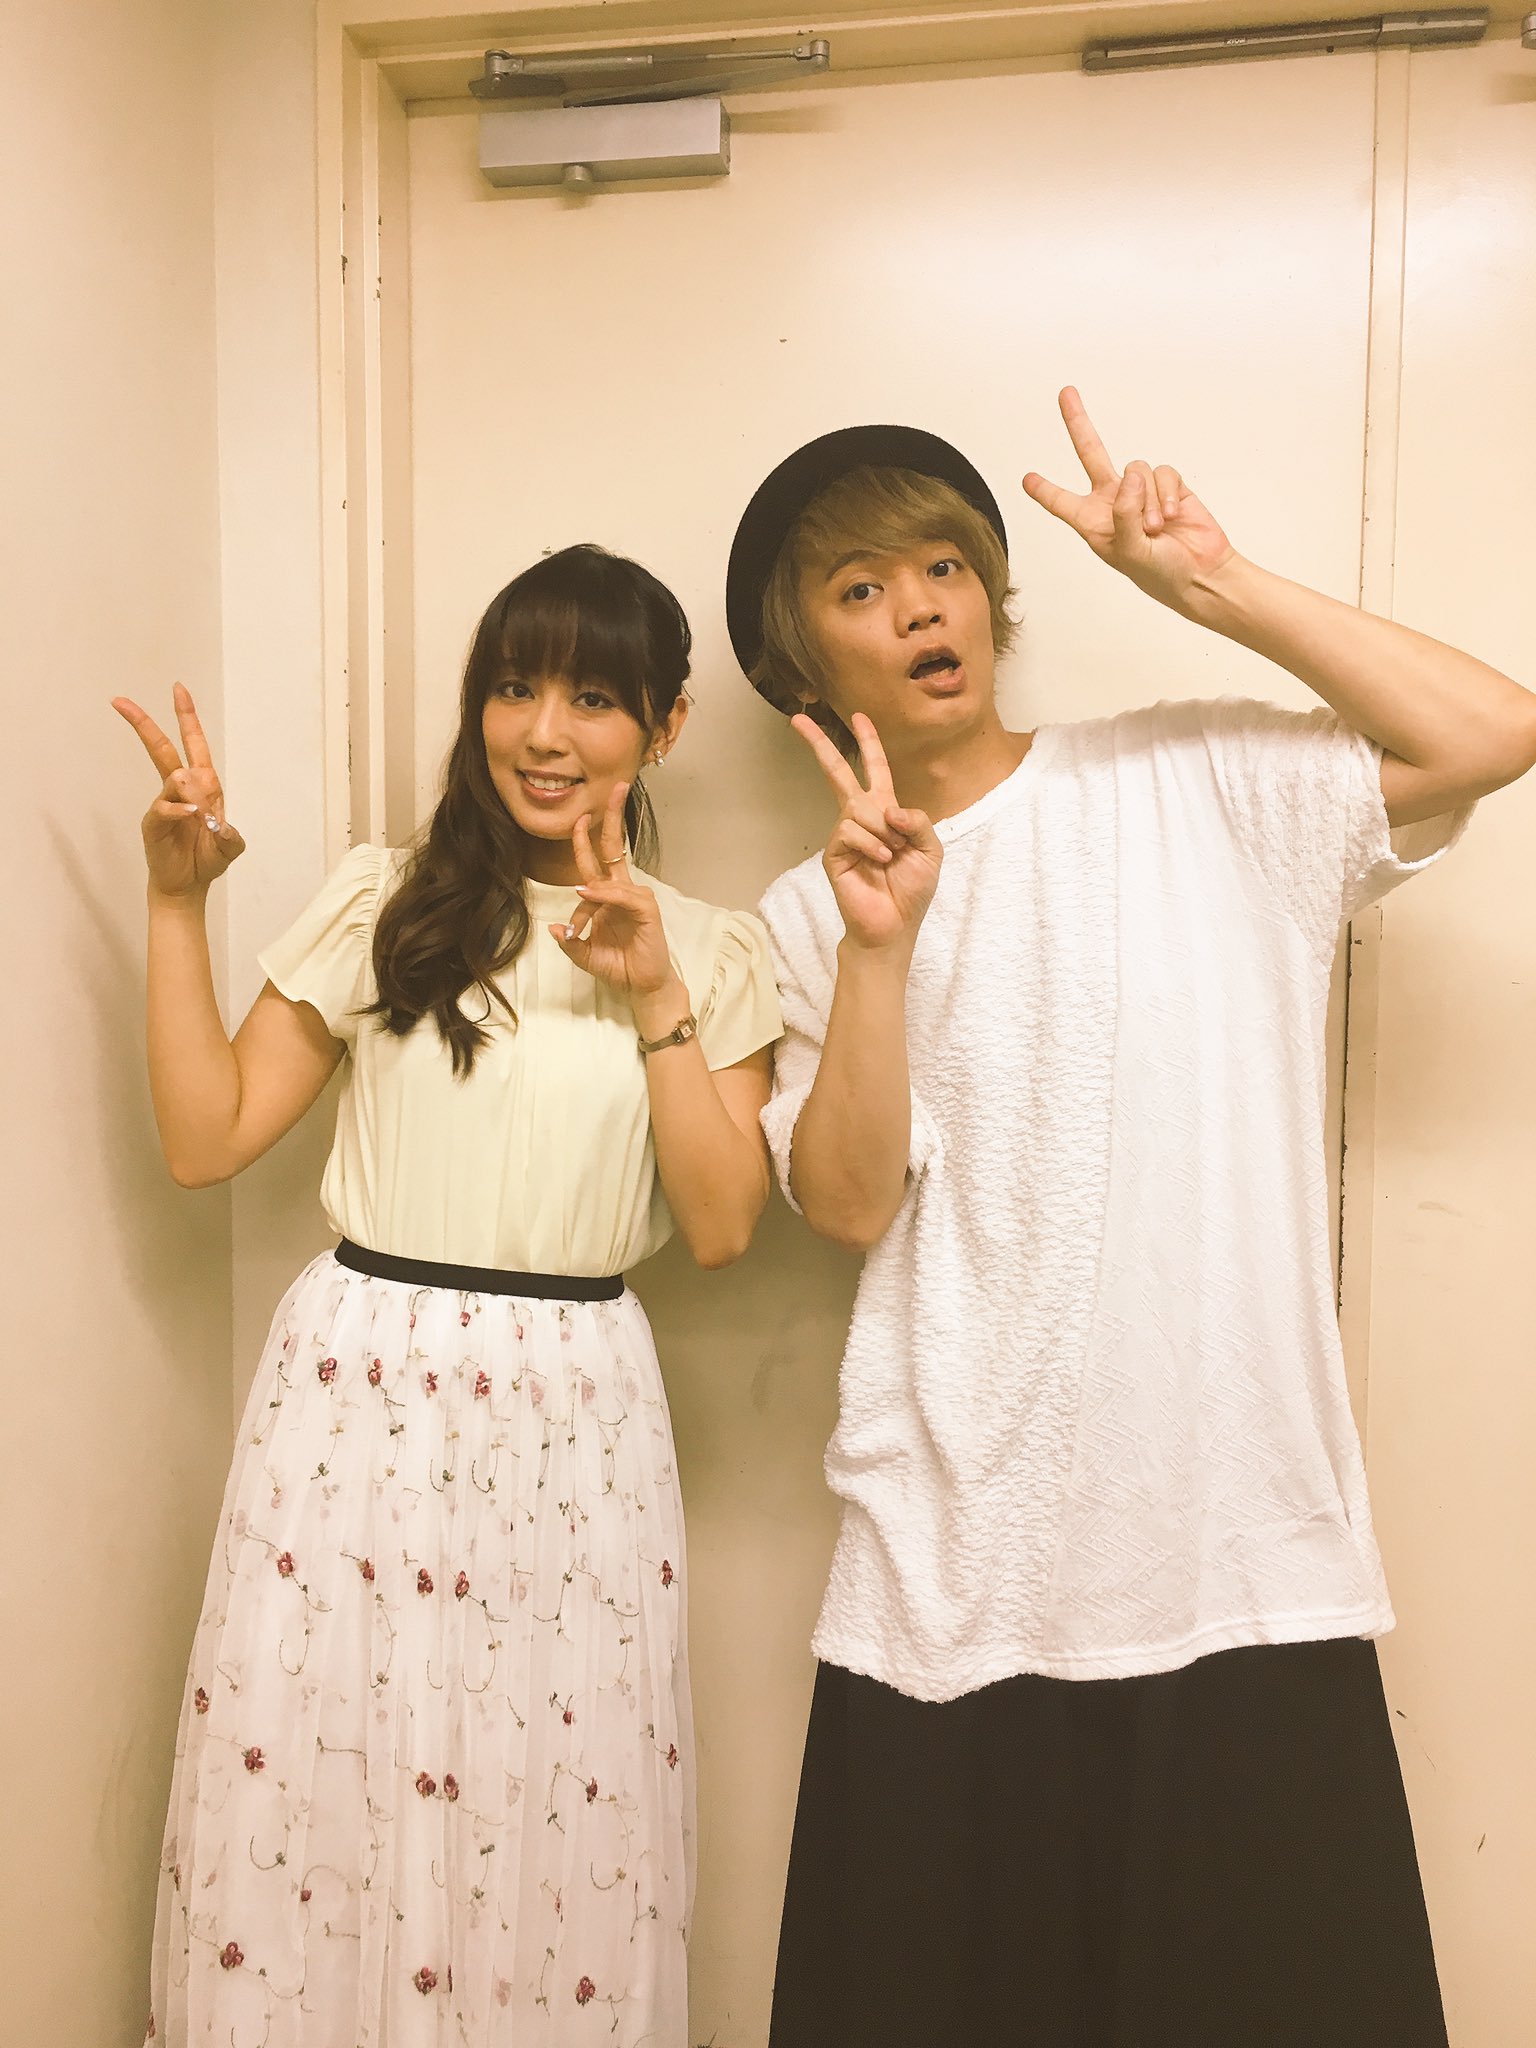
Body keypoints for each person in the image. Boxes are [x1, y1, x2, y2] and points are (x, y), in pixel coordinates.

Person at [725, 394, 1536, 2046]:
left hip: (1232, 1555)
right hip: (956, 1582)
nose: (922, 607)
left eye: (945, 566)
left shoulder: (1196, 775)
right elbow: (849, 1204)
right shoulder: (807, 915)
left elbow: (1491, 733)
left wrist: (1212, 581)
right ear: (801, 664)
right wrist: (878, 950)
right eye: (861, 588)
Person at [115, 544, 781, 2048]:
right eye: (513, 686)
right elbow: (206, 1137)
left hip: (579, 1404)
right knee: (323, 1763)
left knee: (555, 1790)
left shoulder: (712, 950)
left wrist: (655, 992)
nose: (543, 732)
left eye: (593, 697)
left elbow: (726, 1225)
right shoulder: (385, 901)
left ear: (666, 726)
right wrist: (172, 905)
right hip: (359, 1387)